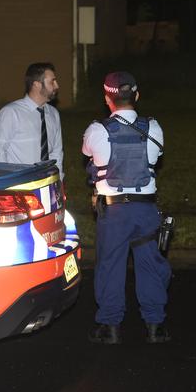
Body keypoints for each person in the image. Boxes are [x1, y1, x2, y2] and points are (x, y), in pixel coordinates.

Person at [82, 71, 171, 345]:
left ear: (107, 98)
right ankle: (155, 326)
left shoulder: (96, 130)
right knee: (150, 265)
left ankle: (110, 327)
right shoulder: (153, 128)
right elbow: (155, 158)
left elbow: (90, 156)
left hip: (114, 211)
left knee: (110, 266)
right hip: (145, 210)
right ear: (137, 95)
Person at [0, 63, 63, 178]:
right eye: (52, 81)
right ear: (36, 85)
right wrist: (4, 183)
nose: (57, 86)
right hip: (19, 183)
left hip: (47, 182)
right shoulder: (11, 113)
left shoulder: (53, 113)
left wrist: (59, 179)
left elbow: (57, 152)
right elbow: (0, 151)